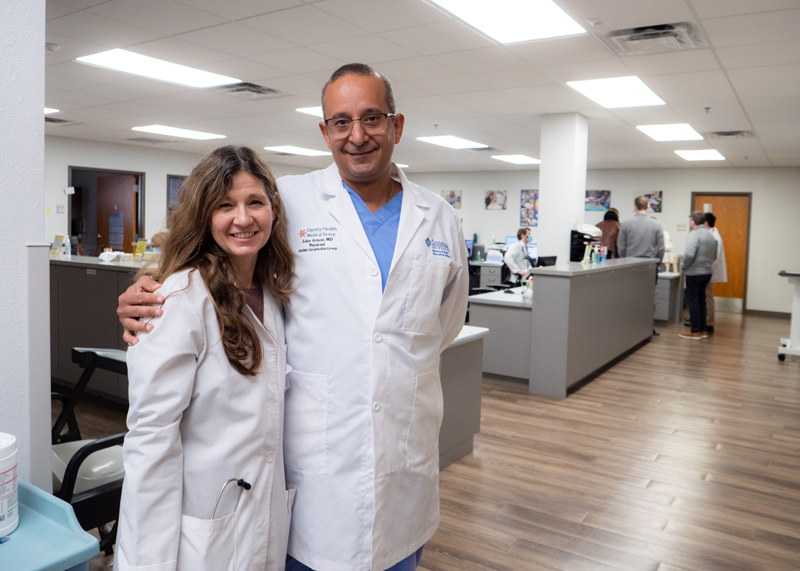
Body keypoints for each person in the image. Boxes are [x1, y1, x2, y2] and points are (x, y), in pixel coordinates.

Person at [118, 64, 470, 571]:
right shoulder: (291, 200)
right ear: (325, 132)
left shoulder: (440, 218)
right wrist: (148, 294)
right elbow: (217, 252)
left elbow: (445, 325)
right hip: (314, 481)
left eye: (372, 118)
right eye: (341, 122)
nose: (357, 135)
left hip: (405, 470)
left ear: (396, 125)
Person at [115, 146, 295, 571]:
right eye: (224, 206)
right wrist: (147, 564)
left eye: (255, 202)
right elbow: (151, 441)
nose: (243, 219)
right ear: (202, 215)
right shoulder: (179, 300)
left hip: (261, 516)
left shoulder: (274, 294)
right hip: (202, 532)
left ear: (273, 208)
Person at [618, 196, 665, 337]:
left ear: (635, 207)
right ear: (648, 206)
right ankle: (647, 328)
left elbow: (621, 247)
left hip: (630, 266)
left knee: (629, 298)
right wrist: (657, 263)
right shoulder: (656, 224)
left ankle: (628, 328)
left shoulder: (626, 224)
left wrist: (625, 261)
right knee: (648, 299)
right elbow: (661, 248)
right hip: (649, 266)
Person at [680, 211, 718, 340]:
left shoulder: (694, 234)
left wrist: (683, 266)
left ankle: (695, 331)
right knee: (702, 300)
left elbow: (689, 254)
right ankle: (703, 330)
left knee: (693, 301)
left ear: (692, 222)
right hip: (707, 273)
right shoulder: (711, 235)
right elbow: (714, 256)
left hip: (694, 273)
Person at [704, 212, 727, 334]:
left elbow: (714, 259)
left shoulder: (715, 237)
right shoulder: (710, 234)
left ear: (706, 223)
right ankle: (703, 321)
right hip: (705, 271)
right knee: (705, 297)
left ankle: (709, 324)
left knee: (708, 297)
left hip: (707, 272)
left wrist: (707, 272)